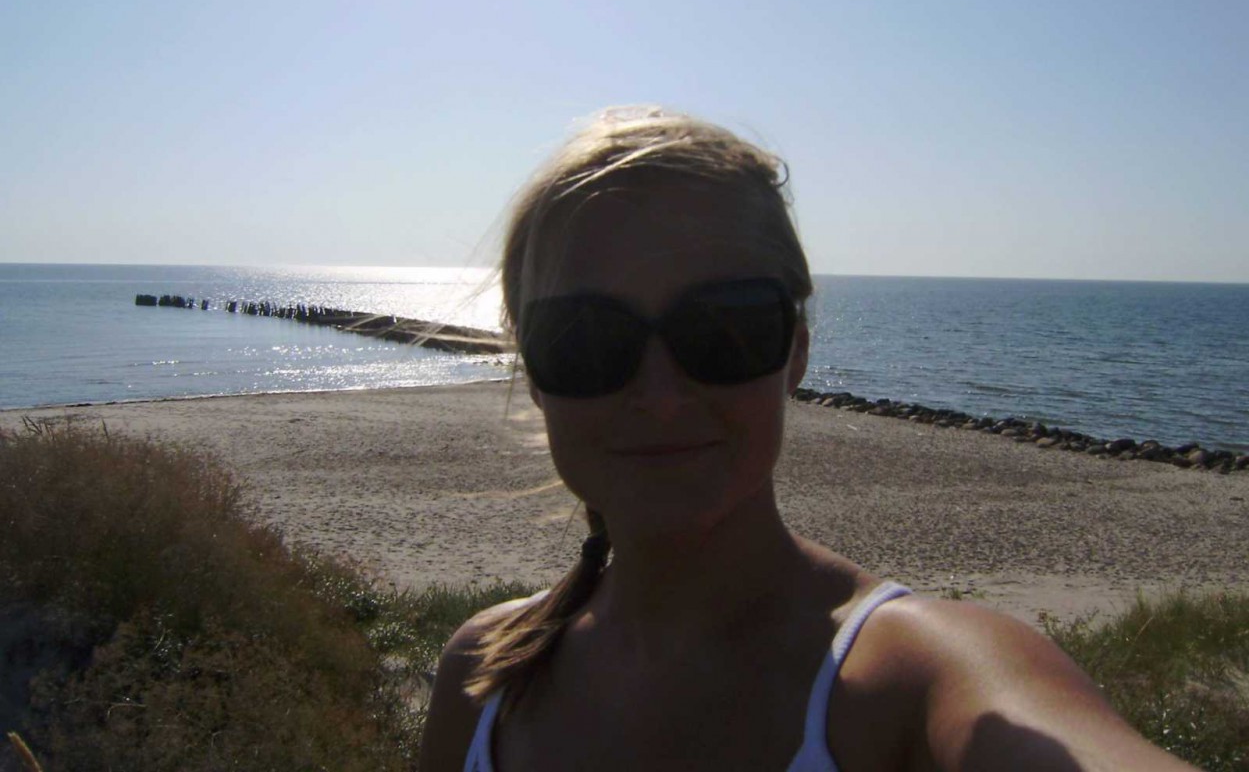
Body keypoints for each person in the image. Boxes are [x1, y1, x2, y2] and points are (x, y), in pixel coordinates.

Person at [418, 108, 1194, 771]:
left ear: (795, 351)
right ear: (530, 367)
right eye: (584, 339)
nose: (658, 397)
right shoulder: (482, 675)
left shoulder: (914, 674)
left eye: (723, 327)